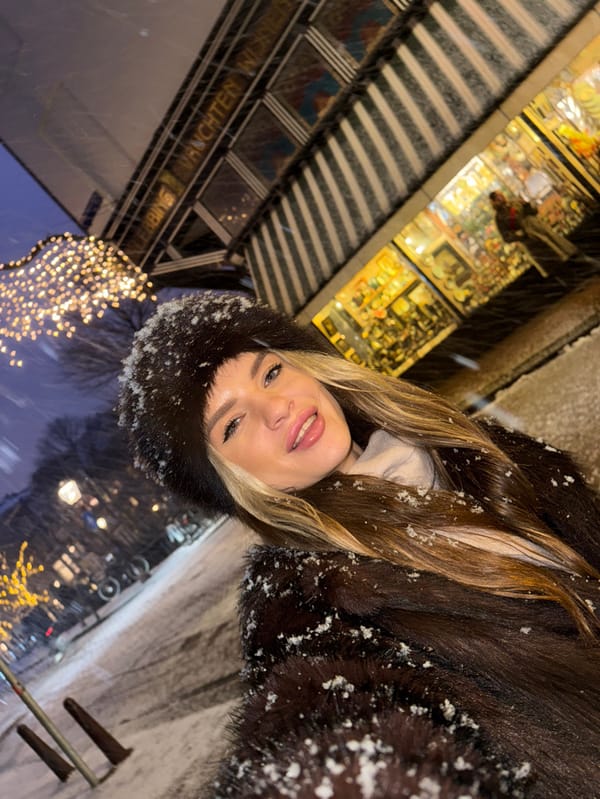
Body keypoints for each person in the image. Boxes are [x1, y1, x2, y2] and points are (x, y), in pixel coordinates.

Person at [118, 292, 600, 799]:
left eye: (271, 373)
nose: (276, 408)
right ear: (227, 482)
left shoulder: (467, 449)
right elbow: (324, 723)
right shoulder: (309, 610)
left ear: (309, 366)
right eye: (233, 424)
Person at [489, 190, 583, 263]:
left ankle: (578, 258)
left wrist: (527, 205)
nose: (501, 198)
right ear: (494, 202)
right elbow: (506, 237)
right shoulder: (499, 218)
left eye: (501, 195)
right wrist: (520, 235)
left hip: (538, 227)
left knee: (559, 243)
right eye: (498, 198)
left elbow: (534, 211)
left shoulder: (515, 202)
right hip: (530, 240)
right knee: (552, 258)